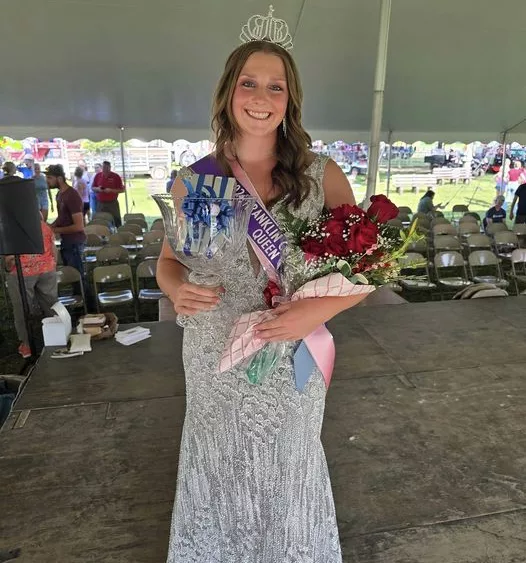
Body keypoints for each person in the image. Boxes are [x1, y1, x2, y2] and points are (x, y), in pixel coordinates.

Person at [156, 29, 370, 562]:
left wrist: (313, 314)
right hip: (213, 352)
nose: (261, 97)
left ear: (289, 100)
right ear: (229, 92)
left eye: (276, 87)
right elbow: (167, 262)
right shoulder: (197, 179)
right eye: (249, 83)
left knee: (289, 462)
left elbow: (366, 270)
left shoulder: (321, 175)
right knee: (218, 462)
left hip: (290, 352)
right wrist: (177, 288)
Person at [4, 215, 58, 358]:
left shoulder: (12, 228)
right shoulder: (44, 226)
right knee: (52, 304)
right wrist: (52, 266)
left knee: (22, 307)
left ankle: (27, 345)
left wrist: (8, 268)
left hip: (22, 272)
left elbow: (9, 258)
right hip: (47, 269)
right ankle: (59, 336)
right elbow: (53, 248)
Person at [45, 164, 86, 274]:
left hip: (75, 243)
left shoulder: (72, 195)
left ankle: (84, 292)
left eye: (49, 178)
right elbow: (61, 217)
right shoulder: (59, 194)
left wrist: (55, 230)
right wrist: (49, 226)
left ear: (59, 178)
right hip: (66, 241)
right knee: (71, 274)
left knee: (78, 276)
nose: (47, 180)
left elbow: (79, 226)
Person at [91, 161, 125, 227]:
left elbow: (122, 190)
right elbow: (93, 188)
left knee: (116, 220)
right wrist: (98, 189)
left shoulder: (115, 176)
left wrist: (111, 190)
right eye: (104, 168)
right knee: (100, 221)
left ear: (110, 168)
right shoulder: (98, 176)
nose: (105, 170)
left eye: (107, 168)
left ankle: (118, 234)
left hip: (112, 203)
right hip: (100, 203)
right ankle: (103, 235)